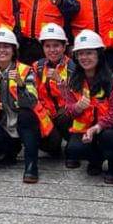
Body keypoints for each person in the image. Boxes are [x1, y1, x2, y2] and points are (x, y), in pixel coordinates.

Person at [0, 27, 50, 183]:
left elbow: (31, 102)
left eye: (6, 46)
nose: (2, 50)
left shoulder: (25, 70)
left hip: (29, 122)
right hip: (5, 123)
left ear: (14, 50)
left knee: (25, 116)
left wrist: (20, 85)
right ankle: (12, 149)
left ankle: (31, 165)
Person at [63, 31, 113, 184]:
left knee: (110, 137)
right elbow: (68, 110)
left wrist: (97, 128)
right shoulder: (74, 81)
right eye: (80, 54)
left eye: (89, 53)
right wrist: (77, 108)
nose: (84, 58)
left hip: (110, 129)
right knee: (73, 149)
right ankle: (96, 160)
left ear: (99, 54)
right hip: (86, 130)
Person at [33, 23, 73, 161]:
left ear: (64, 47)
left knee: (65, 116)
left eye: (56, 45)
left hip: (68, 116)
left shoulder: (73, 68)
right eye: (47, 46)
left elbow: (77, 99)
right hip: (47, 115)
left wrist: (60, 81)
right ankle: (54, 146)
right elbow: (34, 95)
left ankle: (73, 147)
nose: (52, 50)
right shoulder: (37, 67)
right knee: (48, 143)